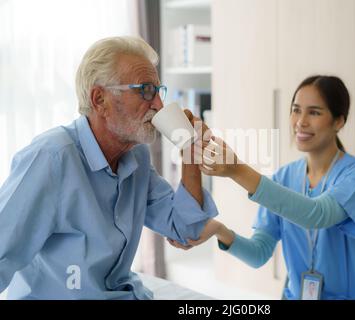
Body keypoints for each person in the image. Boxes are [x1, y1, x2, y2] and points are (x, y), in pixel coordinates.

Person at [0, 36, 217, 300]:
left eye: (159, 91)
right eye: (146, 90)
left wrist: (190, 152)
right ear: (100, 99)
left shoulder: (135, 156)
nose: (159, 105)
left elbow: (186, 231)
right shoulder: (50, 159)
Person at [169, 75, 355, 300]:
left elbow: (318, 214)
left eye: (314, 112)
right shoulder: (284, 178)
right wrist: (220, 230)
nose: (300, 121)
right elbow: (259, 253)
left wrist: (237, 170)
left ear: (339, 121)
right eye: (296, 110)